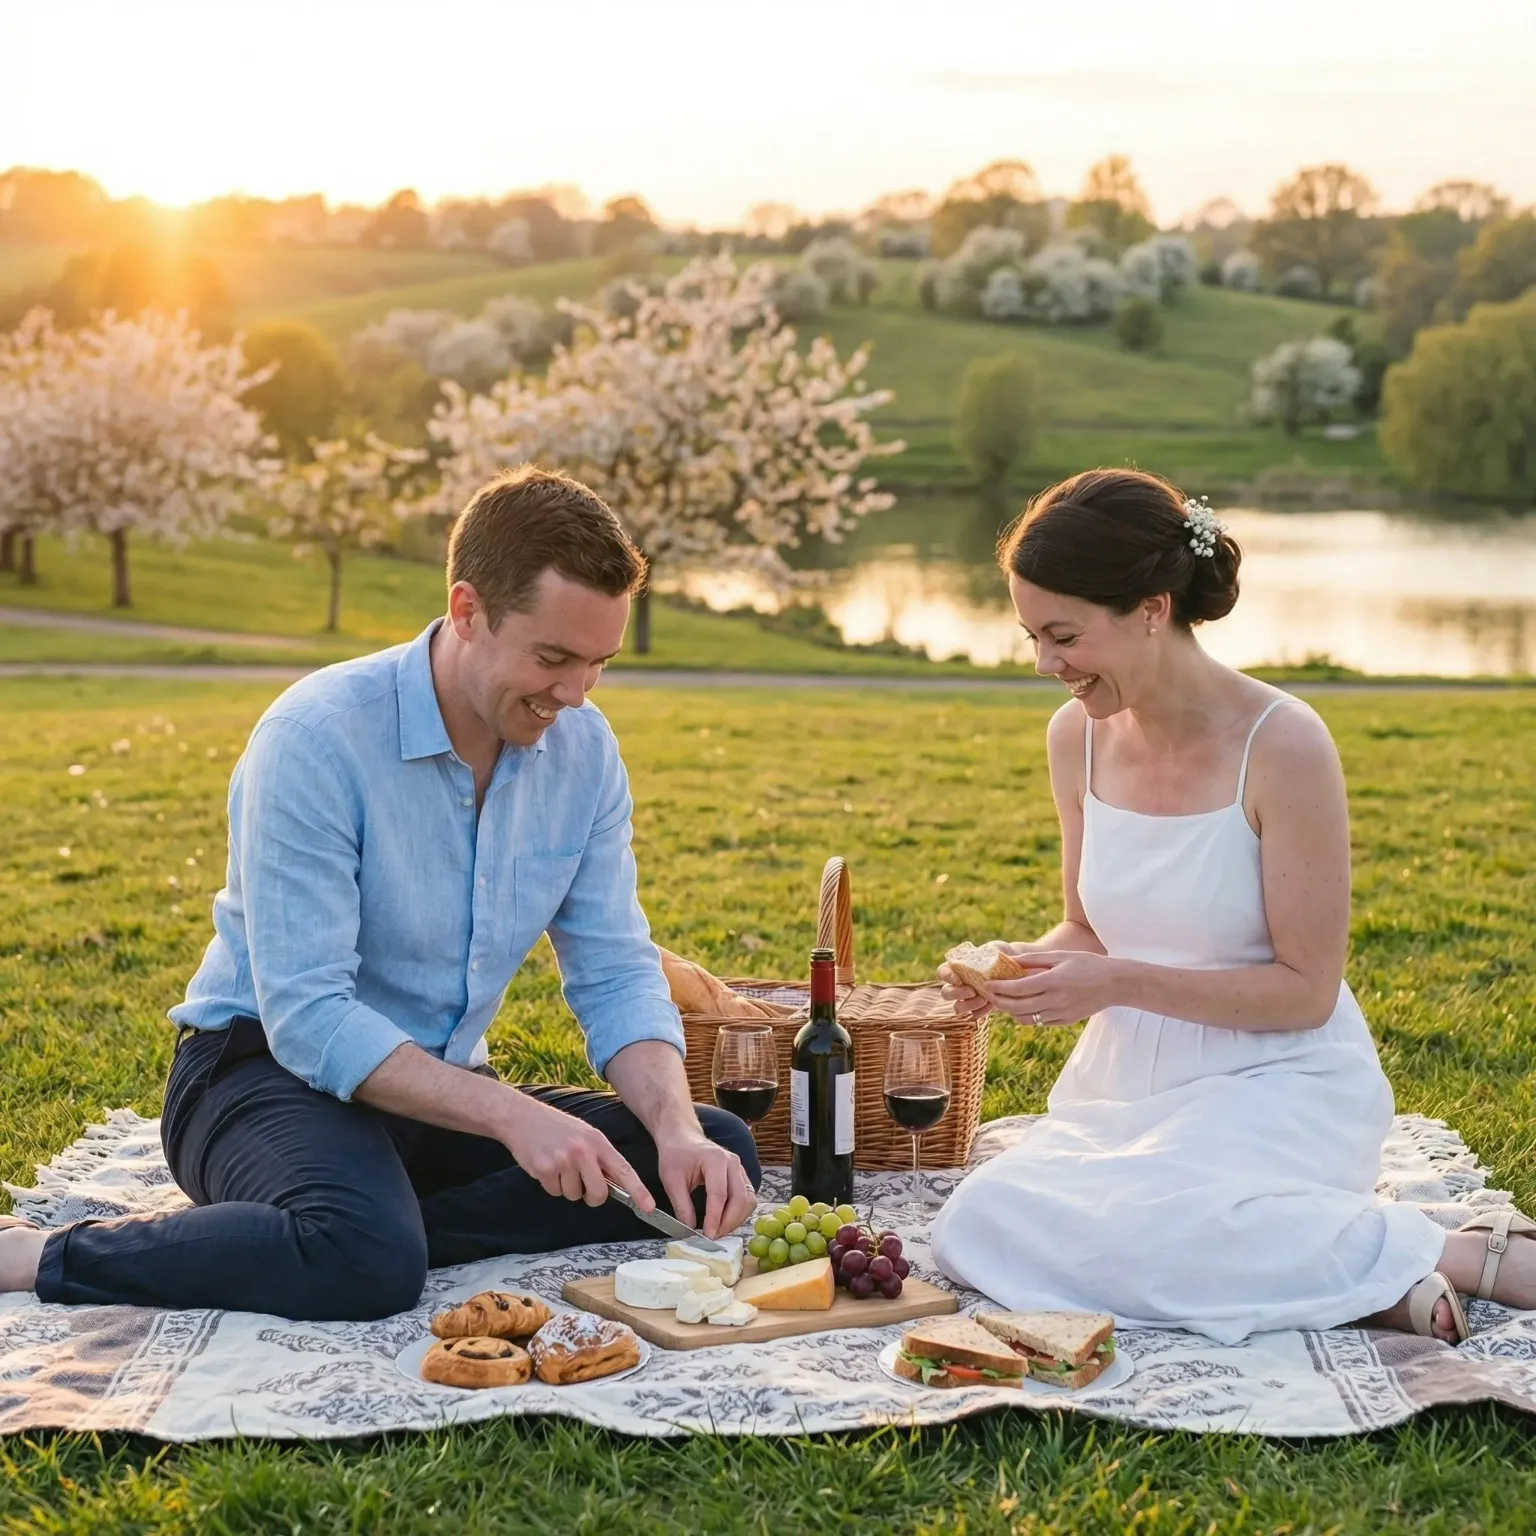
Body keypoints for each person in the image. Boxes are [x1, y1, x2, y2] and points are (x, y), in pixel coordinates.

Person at [0, 467, 760, 1320]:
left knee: (711, 1153)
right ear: (467, 611)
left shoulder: (584, 753)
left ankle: (347, 1228)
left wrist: (675, 1128)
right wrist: (511, 1116)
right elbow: (309, 1016)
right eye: (552, 658)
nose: (576, 694)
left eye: (598, 664)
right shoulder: (316, 737)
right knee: (368, 1260)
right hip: (260, 1074)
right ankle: (42, 1254)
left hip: (431, 1092)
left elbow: (616, 969)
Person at [929, 468, 1533, 1345]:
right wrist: (1022, 970)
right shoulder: (1077, 738)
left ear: (1150, 607)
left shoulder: (1282, 743)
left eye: (1063, 635)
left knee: (1155, 1225)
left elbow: (1305, 990)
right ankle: (1374, 1270)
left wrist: (1114, 983)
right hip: (1129, 1085)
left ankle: (1449, 1253)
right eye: (1031, 635)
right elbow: (1089, 927)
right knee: (976, 1224)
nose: (1044, 665)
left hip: (1279, 1081)